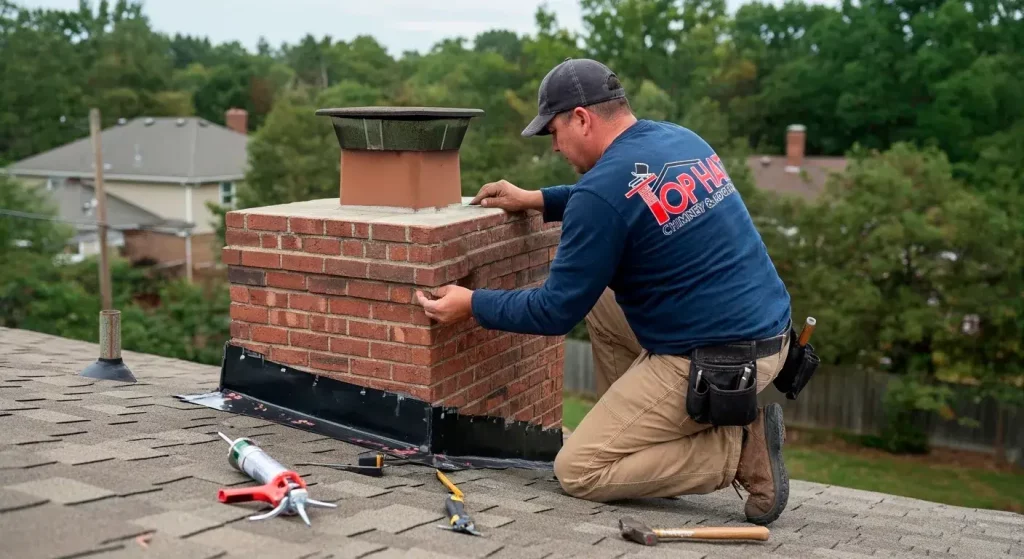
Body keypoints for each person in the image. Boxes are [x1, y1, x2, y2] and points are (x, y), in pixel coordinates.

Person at [414, 58, 794, 526]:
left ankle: (735, 451)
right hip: (766, 331)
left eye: (553, 131)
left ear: (581, 118)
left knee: (579, 470)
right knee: (601, 299)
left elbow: (555, 310)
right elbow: (624, 196)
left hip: (717, 361)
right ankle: (638, 441)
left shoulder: (602, 191)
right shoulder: (676, 139)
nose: (554, 147)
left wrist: (471, 303)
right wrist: (538, 199)